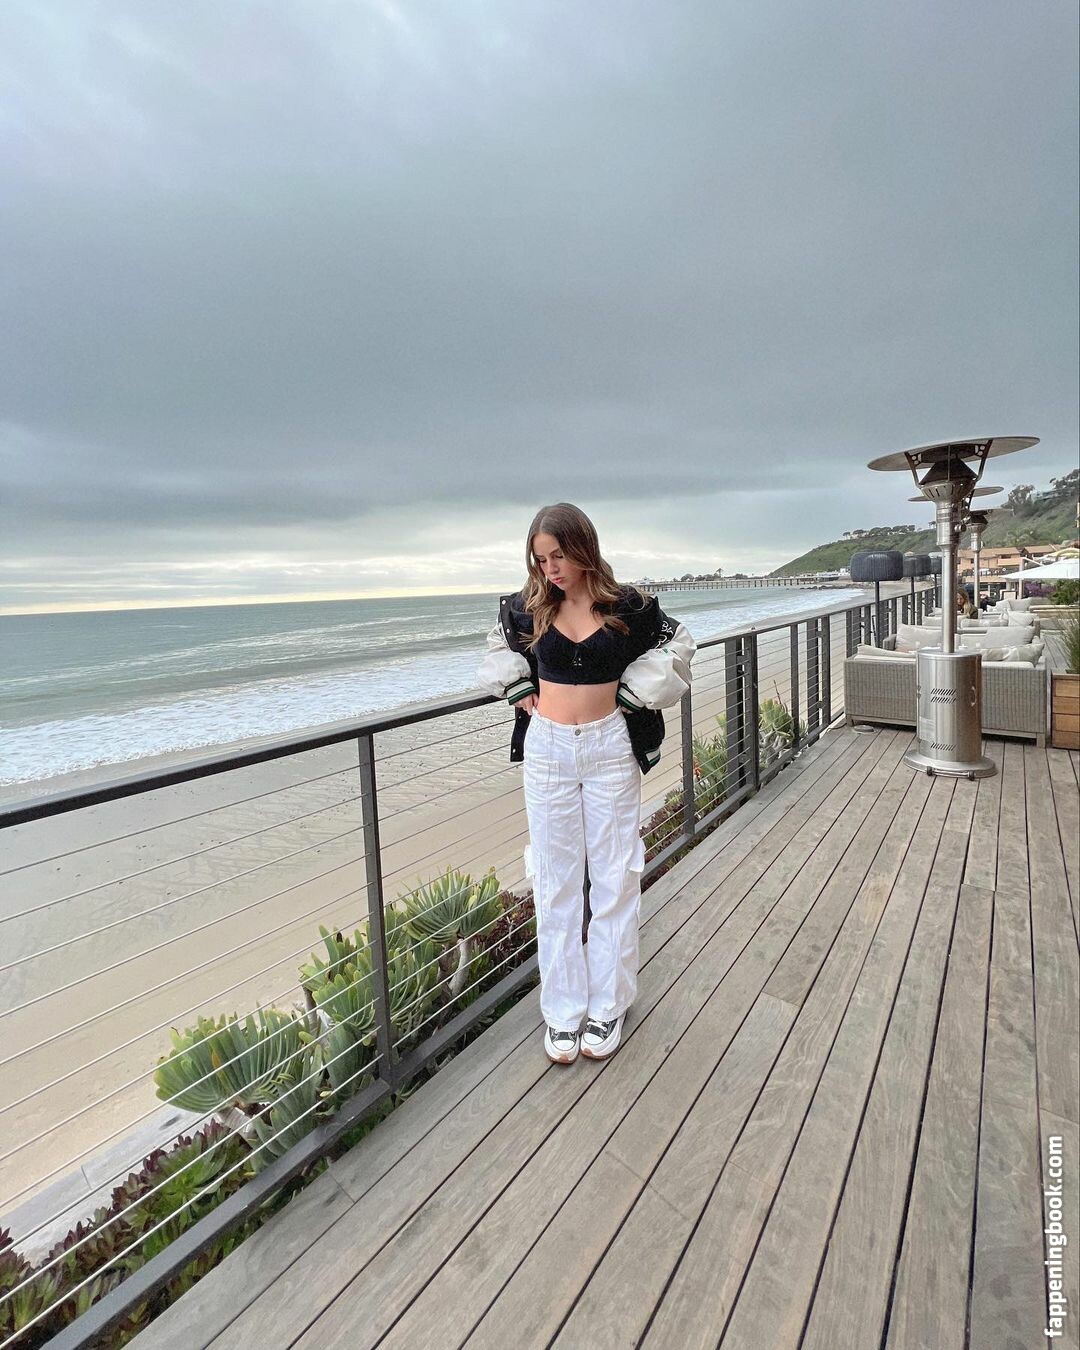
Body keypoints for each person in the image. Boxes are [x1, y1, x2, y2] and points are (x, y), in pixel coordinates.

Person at [475, 503, 696, 1067]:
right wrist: (516, 687)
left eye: (558, 556)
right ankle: (563, 1009)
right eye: (540, 559)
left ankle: (609, 1004)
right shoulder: (525, 609)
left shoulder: (630, 607)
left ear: (583, 548)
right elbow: (496, 648)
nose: (550, 568)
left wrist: (634, 693)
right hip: (548, 749)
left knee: (615, 875)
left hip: (610, 747)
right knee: (555, 881)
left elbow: (679, 644)